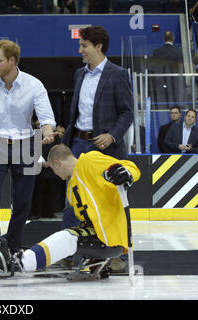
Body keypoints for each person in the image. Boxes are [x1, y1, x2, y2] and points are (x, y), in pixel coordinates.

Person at [0, 39, 57, 261]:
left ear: (12, 61)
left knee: (23, 202)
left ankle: (14, 245)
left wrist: (48, 132)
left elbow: (46, 118)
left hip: (25, 144)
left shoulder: (34, 85)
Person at [0, 143, 141, 276]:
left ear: (57, 163)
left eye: (53, 169)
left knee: (66, 238)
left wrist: (126, 173)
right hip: (100, 237)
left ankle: (19, 263)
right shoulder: (71, 187)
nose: (55, 175)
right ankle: (24, 260)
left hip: (110, 237)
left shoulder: (90, 160)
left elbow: (130, 167)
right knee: (67, 236)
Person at [61, 26, 133, 271]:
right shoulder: (80, 74)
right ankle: (68, 252)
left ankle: (118, 256)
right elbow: (76, 112)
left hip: (106, 147)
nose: (80, 49)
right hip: (79, 143)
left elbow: (127, 112)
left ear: (98, 46)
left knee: (113, 199)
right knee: (73, 199)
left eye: (84, 45)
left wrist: (112, 136)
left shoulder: (118, 74)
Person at [150, 31, 184, 105]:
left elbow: (153, 67)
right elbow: (181, 68)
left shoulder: (156, 52)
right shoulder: (178, 51)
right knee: (175, 103)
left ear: (163, 39)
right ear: (173, 39)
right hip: (175, 82)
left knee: (163, 103)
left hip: (160, 82)